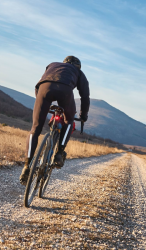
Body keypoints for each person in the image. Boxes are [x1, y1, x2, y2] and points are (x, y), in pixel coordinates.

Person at [19, 56, 90, 185]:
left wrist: (43, 103)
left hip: (43, 89)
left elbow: (40, 84)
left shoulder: (52, 65)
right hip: (65, 91)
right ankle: (59, 152)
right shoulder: (78, 72)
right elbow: (85, 96)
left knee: (35, 128)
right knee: (69, 120)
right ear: (78, 66)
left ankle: (26, 166)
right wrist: (83, 115)